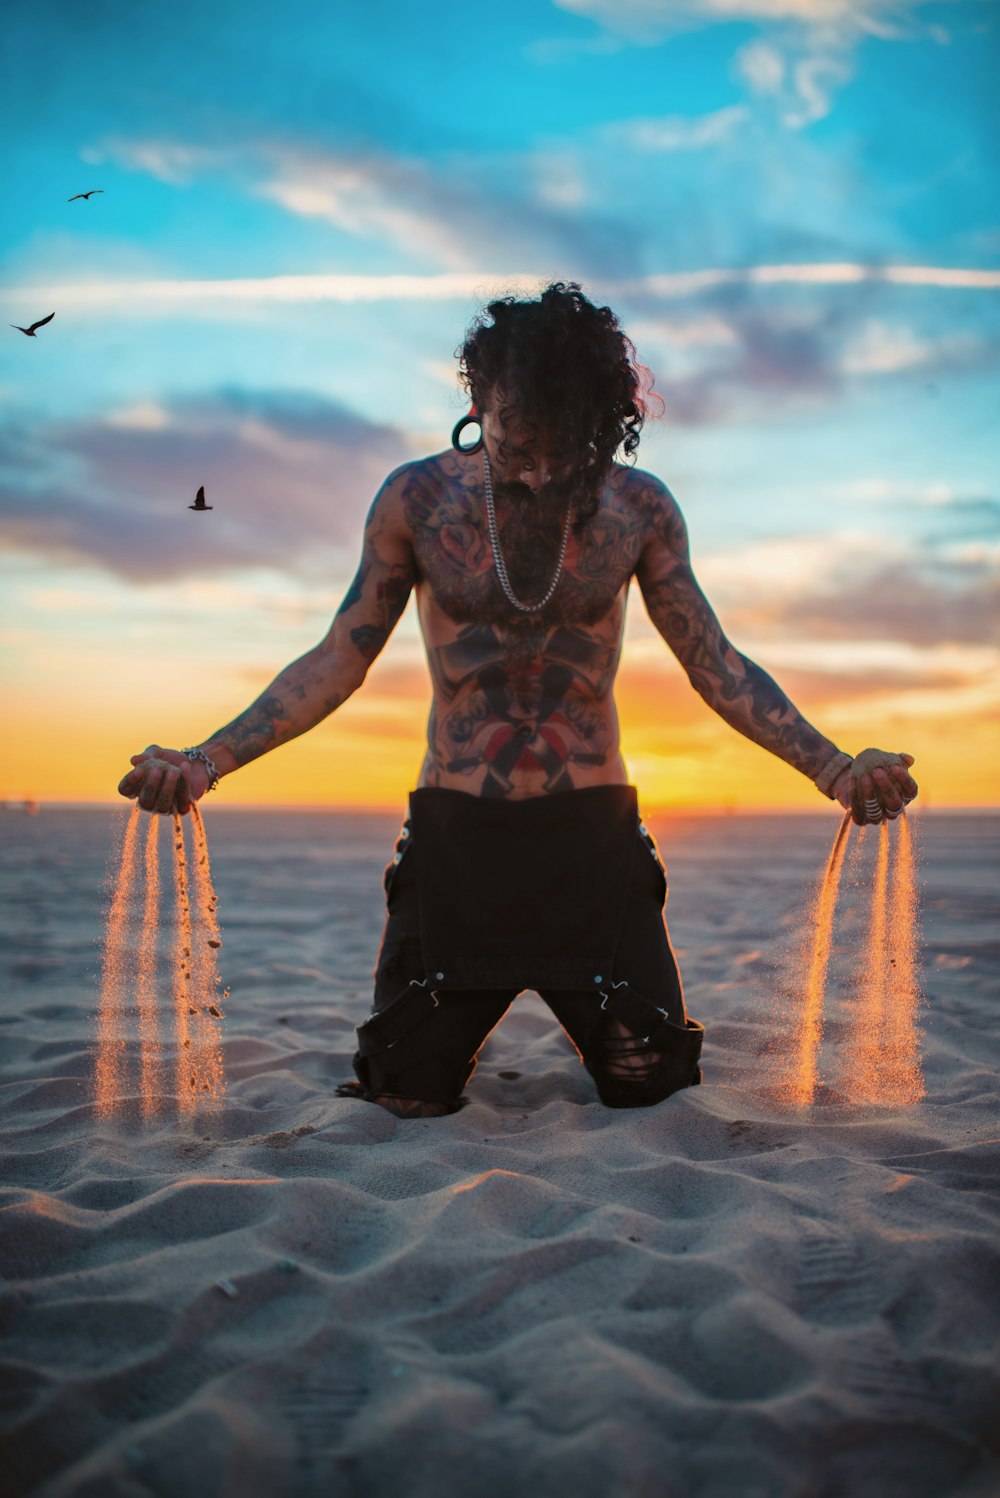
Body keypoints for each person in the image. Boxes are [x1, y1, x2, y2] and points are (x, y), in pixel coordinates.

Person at [118, 281, 918, 1119]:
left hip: (592, 834)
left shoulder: (638, 509)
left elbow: (713, 661)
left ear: (602, 427)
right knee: (404, 1086)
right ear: (478, 400)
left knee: (648, 1080)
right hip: (457, 837)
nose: (537, 469)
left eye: (562, 445)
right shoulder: (417, 501)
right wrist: (206, 759)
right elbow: (337, 658)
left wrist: (834, 766)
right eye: (516, 438)